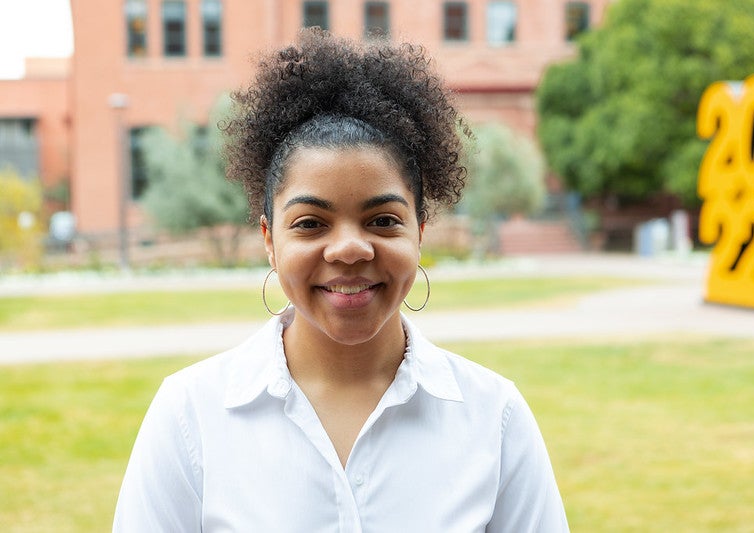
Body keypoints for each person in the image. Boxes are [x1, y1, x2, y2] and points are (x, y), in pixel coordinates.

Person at [113, 29, 568, 532]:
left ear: (420, 230)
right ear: (269, 238)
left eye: (383, 220)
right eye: (310, 223)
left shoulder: (494, 417)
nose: (350, 248)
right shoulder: (190, 415)